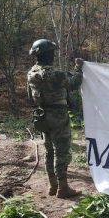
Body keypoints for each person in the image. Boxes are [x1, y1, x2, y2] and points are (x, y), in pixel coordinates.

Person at [26, 39, 83, 198]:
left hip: (42, 116)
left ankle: (53, 186)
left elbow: (30, 97)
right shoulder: (54, 73)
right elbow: (74, 83)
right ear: (48, 55)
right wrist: (78, 67)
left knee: (49, 151)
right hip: (58, 116)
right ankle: (63, 188)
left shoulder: (31, 74)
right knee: (61, 151)